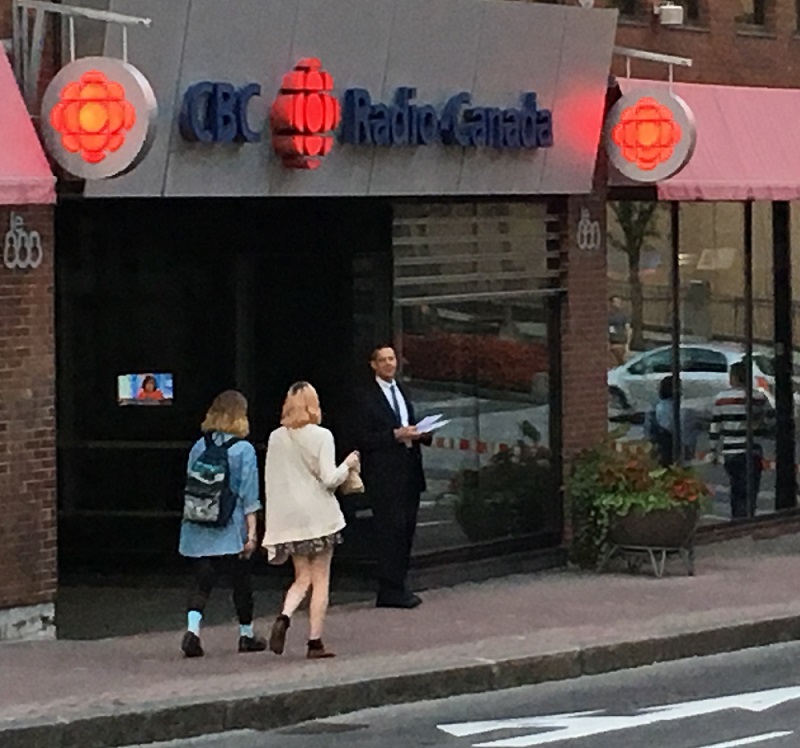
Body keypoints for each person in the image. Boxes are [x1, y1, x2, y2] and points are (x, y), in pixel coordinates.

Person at [263, 381, 360, 659]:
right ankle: (315, 642)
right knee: (321, 579)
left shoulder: (276, 437)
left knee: (301, 576)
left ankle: (284, 615)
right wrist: (349, 464)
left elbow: (273, 481)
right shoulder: (322, 436)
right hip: (319, 516)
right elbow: (330, 480)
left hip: (290, 519)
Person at [178, 390, 265, 658]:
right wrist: (252, 534)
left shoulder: (199, 446)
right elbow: (249, 495)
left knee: (202, 582)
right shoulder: (243, 449)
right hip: (230, 527)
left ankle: (193, 631)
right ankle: (246, 635)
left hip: (198, 525)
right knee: (241, 583)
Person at [355, 345, 431, 609]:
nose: (389, 364)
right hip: (385, 475)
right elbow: (362, 438)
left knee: (407, 529)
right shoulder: (366, 397)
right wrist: (394, 436)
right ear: (373, 365)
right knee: (390, 530)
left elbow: (410, 421)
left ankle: (400, 583)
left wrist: (422, 432)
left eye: (392, 359)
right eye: (383, 360)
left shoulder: (402, 390)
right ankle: (389, 588)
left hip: (410, 469)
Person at [710, 361, 773, 519]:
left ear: (734, 378)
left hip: (730, 450)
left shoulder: (721, 399)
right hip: (752, 451)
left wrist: (713, 449)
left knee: (736, 489)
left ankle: (736, 519)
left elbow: (715, 426)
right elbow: (769, 420)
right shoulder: (758, 397)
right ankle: (748, 519)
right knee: (750, 491)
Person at [644, 376, 699, 466]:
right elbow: (685, 434)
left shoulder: (654, 409)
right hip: (674, 449)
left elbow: (649, 432)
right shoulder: (681, 410)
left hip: (660, 448)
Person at [608, 295, 632, 367]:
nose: (618, 304)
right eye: (616, 302)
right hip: (610, 342)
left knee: (619, 361)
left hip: (619, 342)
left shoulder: (623, 315)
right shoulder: (608, 315)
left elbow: (628, 328)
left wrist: (627, 344)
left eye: (619, 302)